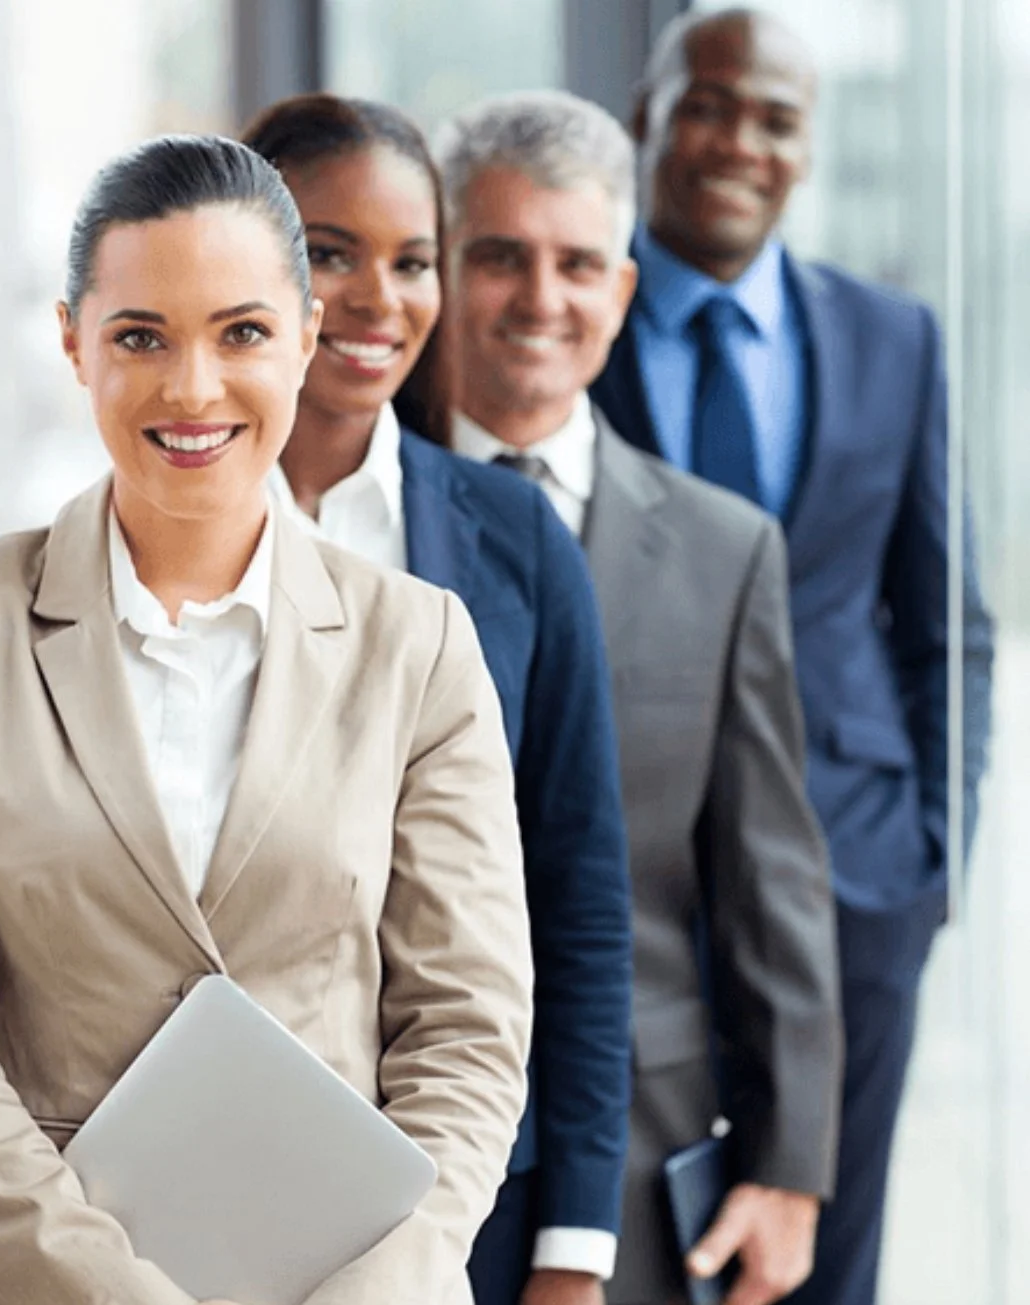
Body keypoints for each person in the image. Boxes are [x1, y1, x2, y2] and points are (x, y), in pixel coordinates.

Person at [0, 134, 535, 1305]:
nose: (192, 389)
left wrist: (390, 1281)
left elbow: (466, 1026)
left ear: (306, 341)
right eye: (140, 336)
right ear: (73, 341)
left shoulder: (415, 645)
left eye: (240, 333)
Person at [589, 10, 995, 1304]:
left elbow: (946, 626)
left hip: (851, 887)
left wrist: (931, 860)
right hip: (629, 896)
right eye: (710, 104)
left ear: (806, 151)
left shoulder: (894, 340)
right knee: (631, 1257)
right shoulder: (563, 326)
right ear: (648, 113)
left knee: (827, 1266)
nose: (738, 142)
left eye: (774, 119)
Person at [434, 88, 843, 1305]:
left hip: (642, 1147)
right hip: (398, 1143)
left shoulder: (725, 552)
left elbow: (768, 876)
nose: (539, 299)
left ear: (621, 291)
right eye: (498, 256)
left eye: (576, 264)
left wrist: (787, 1167)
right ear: (442, 270)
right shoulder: (358, 519)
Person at [241, 96, 633, 1305]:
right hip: (204, 1177)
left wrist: (573, 1240)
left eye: (412, 259)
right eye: (327, 252)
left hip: (470, 1198)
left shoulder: (514, 539)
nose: (376, 297)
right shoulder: (150, 531)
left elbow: (578, 902)